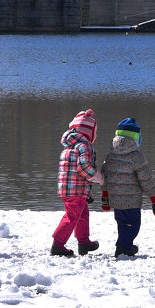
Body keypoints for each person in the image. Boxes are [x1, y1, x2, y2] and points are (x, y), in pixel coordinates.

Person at [100, 117, 155, 257]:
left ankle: (126, 245)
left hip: (116, 200)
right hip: (132, 201)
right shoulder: (137, 157)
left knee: (122, 224)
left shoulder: (110, 156)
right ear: (136, 138)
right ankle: (123, 247)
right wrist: (154, 197)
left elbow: (104, 178)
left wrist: (105, 198)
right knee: (133, 225)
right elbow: (146, 179)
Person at [51, 108, 104, 256]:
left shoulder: (69, 146)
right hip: (76, 190)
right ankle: (58, 244)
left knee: (82, 213)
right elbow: (84, 169)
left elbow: (73, 173)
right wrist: (99, 178)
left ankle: (83, 242)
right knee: (72, 216)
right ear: (89, 132)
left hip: (69, 189)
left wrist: (88, 192)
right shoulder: (84, 145)